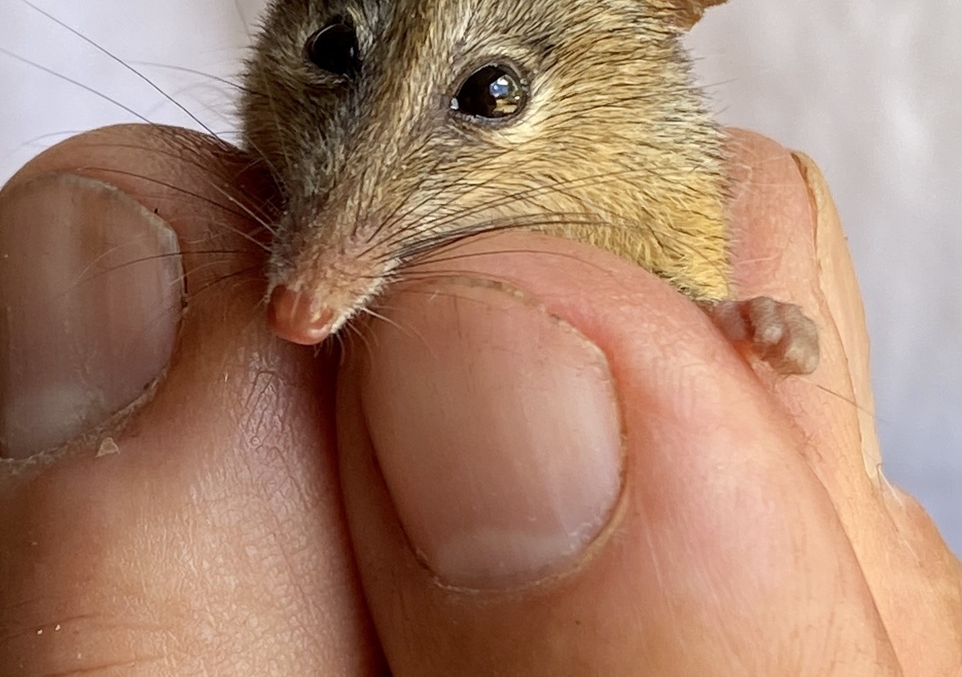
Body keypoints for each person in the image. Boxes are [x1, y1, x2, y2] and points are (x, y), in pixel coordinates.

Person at [1, 124, 959, 675]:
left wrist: (729, 320)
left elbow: (680, 274)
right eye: (339, 55)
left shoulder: (650, 187)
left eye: (489, 96)